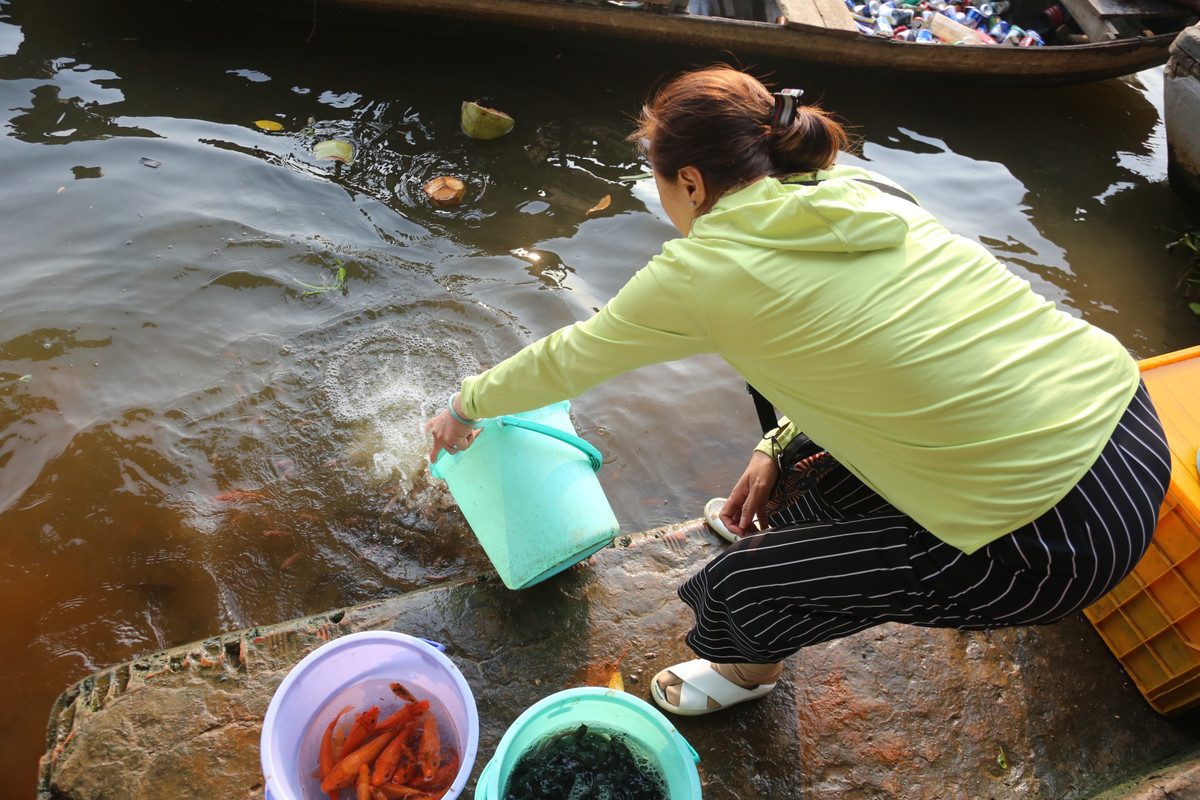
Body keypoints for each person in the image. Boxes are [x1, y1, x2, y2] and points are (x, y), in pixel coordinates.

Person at [425, 65, 1172, 716]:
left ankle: (745, 676)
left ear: (690, 182)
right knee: (804, 488)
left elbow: (570, 358)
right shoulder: (856, 183)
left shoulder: (702, 271)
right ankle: (798, 491)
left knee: (741, 587)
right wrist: (778, 445)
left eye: (659, 186)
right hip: (1130, 420)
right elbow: (880, 355)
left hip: (1055, 543)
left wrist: (463, 406)